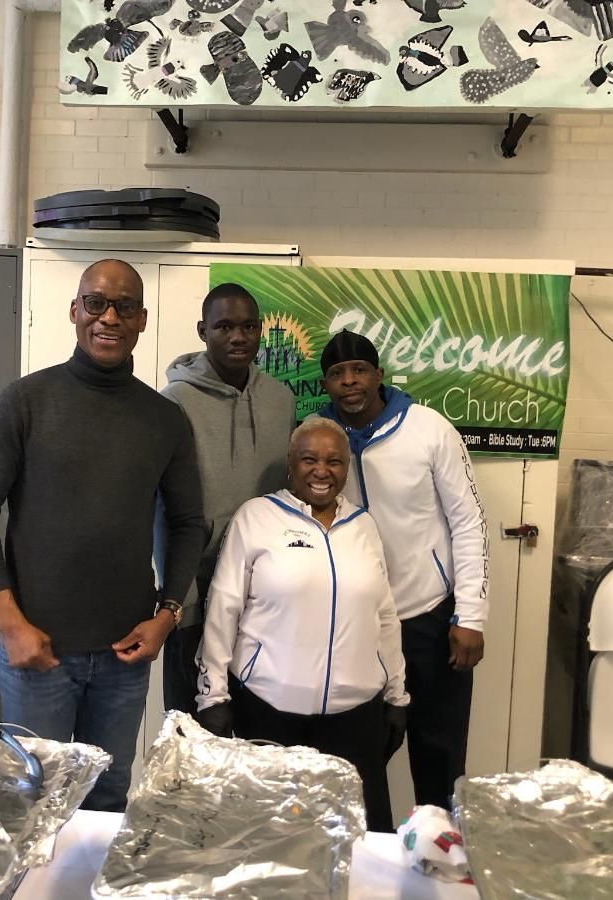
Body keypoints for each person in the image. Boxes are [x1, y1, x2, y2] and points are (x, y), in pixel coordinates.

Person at [0, 258, 205, 812]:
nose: (108, 317)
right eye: (96, 303)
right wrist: (10, 624)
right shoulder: (25, 402)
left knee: (107, 795)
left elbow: (190, 523)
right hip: (38, 655)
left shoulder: (164, 419)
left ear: (142, 319)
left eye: (124, 306)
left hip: (124, 660)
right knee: (28, 800)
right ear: (75, 311)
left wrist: (166, 617)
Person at [195, 417, 408, 832]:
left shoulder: (363, 525)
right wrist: (212, 695)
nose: (322, 471)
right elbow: (223, 608)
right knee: (269, 839)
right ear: (291, 465)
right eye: (309, 459)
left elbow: (384, 615)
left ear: (347, 469)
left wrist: (397, 694)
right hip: (270, 713)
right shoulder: (256, 517)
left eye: (334, 461)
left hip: (355, 719)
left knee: (357, 840)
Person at [317, 330, 488, 810]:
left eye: (359, 370)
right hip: (358, 627)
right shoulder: (321, 436)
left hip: (429, 619)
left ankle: (438, 859)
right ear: (326, 384)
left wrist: (471, 615)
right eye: (336, 374)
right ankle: (370, 860)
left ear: (378, 375)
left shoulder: (429, 429)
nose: (349, 382)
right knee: (359, 759)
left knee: (438, 755)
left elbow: (469, 523)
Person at [157, 282, 296, 715]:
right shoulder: (174, 402)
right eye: (224, 327)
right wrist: (179, 598)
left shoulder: (281, 399)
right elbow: (163, 507)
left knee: (257, 729)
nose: (238, 337)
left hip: (267, 596)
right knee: (192, 730)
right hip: (197, 593)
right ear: (203, 331)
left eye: (249, 326)